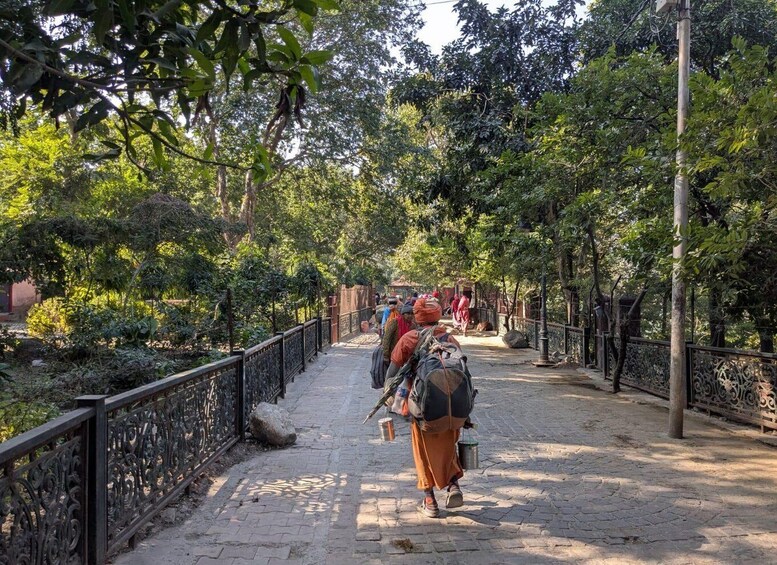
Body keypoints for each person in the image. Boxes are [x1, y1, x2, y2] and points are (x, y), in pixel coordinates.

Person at [385, 298, 465, 518]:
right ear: (438, 316)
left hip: (422, 408)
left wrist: (388, 396)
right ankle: (453, 485)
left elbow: (392, 372)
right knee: (448, 446)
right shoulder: (450, 339)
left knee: (422, 451)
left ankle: (430, 500)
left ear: (417, 318)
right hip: (451, 407)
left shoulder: (410, 339)